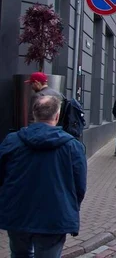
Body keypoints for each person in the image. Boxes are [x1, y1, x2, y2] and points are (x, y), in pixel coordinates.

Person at [0, 95, 87, 258]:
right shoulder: (72, 147)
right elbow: (79, 186)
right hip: (54, 216)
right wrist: (70, 207)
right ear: (57, 115)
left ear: (34, 114)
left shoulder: (11, 141)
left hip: (17, 213)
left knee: (19, 254)